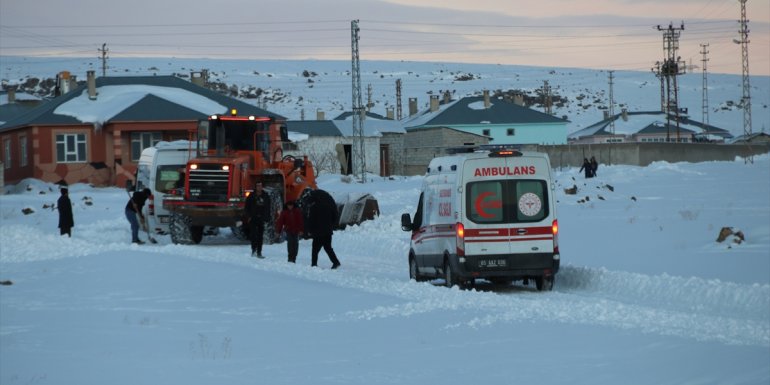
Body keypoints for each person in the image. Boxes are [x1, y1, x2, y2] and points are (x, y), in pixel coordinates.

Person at [303, 189, 341, 269]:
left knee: (315, 249)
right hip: (327, 231)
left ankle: (314, 264)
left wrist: (309, 230)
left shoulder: (314, 207)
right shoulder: (328, 205)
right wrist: (332, 226)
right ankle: (336, 262)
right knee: (328, 248)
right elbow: (334, 217)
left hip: (318, 232)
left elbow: (311, 220)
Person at [244, 182, 271, 258]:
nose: (259, 187)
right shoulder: (251, 196)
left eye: (260, 186)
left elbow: (268, 207)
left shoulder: (266, 196)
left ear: (262, 187)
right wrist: (248, 216)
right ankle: (253, 250)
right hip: (253, 218)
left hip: (261, 218)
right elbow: (247, 207)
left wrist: (267, 217)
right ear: (255, 187)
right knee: (253, 235)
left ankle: (259, 252)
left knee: (260, 236)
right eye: (257, 186)